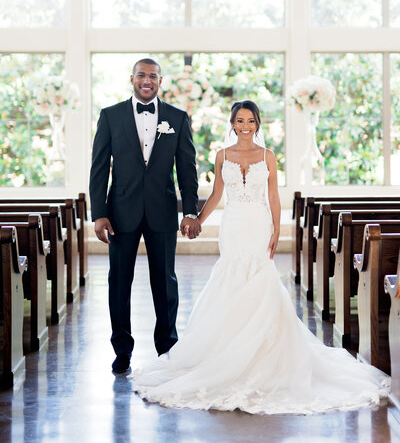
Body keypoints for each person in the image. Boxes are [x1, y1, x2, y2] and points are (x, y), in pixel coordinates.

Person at [133, 100, 389, 414]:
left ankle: (265, 357)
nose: (245, 126)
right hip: (234, 225)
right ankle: (227, 355)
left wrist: (276, 231)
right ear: (232, 122)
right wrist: (198, 218)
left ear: (257, 124)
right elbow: (216, 194)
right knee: (231, 279)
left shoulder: (268, 156)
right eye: (239, 120)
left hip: (257, 224)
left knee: (260, 281)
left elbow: (273, 197)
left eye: (250, 121)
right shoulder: (222, 155)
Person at [89, 58, 201, 374]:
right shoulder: (110, 116)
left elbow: (187, 170)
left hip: (162, 211)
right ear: (132, 79)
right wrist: (99, 214)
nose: (147, 80)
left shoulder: (178, 118)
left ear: (160, 81)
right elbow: (99, 167)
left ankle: (167, 348)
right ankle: (122, 350)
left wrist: (190, 210)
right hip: (120, 212)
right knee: (119, 282)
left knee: (165, 282)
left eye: (153, 76)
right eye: (142, 75)